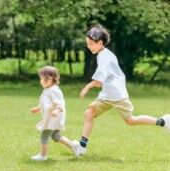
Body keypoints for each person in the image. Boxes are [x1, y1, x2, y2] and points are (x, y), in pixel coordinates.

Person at [72, 24, 170, 157]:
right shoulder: (102, 54)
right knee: (89, 113)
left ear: (100, 43)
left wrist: (87, 86)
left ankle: (163, 121)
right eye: (87, 44)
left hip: (117, 96)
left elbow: (99, 81)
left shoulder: (105, 57)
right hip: (107, 95)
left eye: (91, 44)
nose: (89, 46)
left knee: (131, 120)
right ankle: (82, 147)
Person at [30, 66, 78, 161]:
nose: (41, 81)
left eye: (43, 79)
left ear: (50, 79)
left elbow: (60, 103)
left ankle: (42, 156)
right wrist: (37, 108)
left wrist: (58, 110)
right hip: (52, 117)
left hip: (54, 118)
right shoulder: (47, 90)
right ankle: (73, 145)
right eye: (40, 79)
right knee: (55, 136)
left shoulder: (54, 90)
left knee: (44, 136)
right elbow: (46, 103)